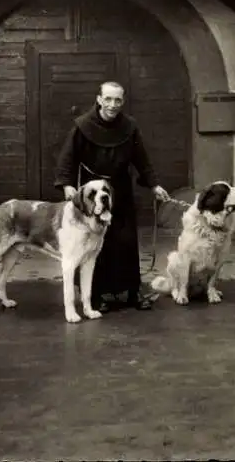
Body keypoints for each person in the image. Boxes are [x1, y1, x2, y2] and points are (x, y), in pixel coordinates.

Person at [54, 81, 169, 312]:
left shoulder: (130, 127)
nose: (112, 105)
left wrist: (154, 184)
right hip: (91, 193)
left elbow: (142, 159)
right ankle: (97, 296)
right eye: (107, 99)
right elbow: (68, 158)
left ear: (123, 101)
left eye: (117, 100)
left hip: (119, 191)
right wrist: (66, 185)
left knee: (126, 242)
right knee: (93, 245)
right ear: (99, 99)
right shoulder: (82, 126)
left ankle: (132, 292)